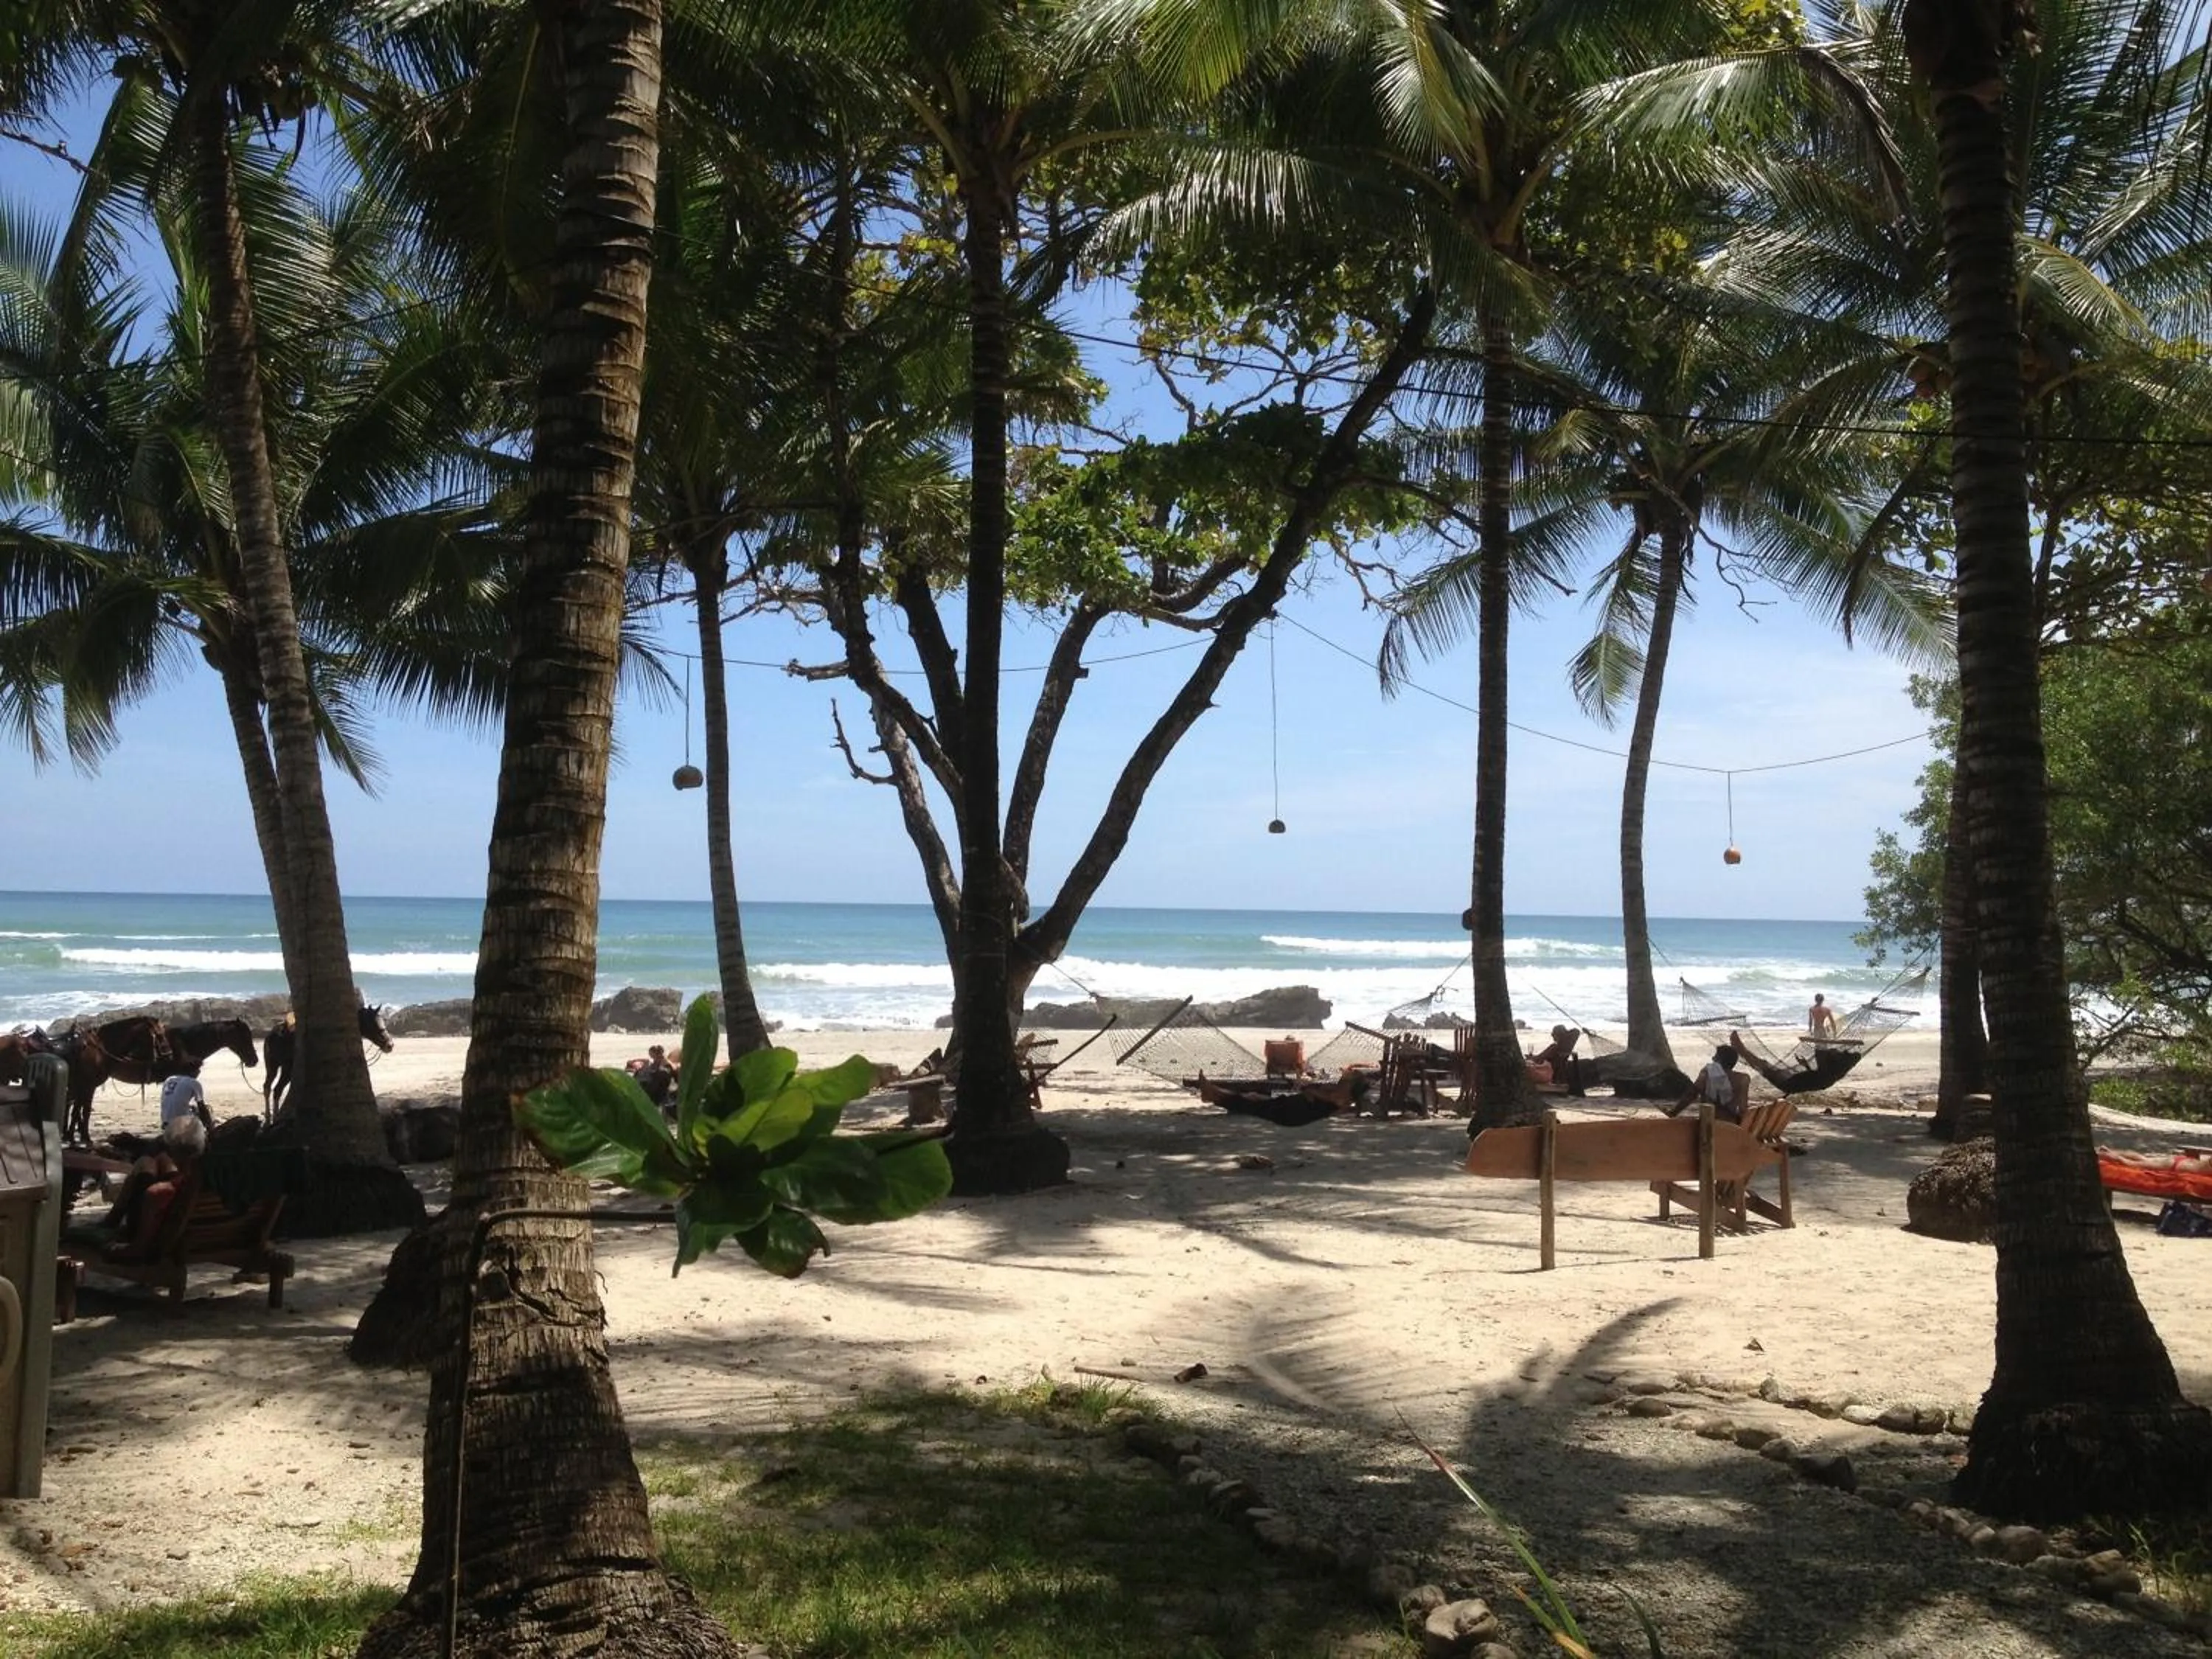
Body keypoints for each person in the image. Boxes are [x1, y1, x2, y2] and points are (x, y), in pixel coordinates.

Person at [99, 1111, 206, 1253]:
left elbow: (139, 1249)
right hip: (208, 1232)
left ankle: (113, 1219)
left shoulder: (160, 1192)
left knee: (144, 1163)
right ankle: (113, 1218)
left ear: (173, 1150)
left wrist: (128, 1249)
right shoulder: (204, 1175)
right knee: (153, 1160)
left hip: (155, 1238)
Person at [1666, 1045, 1742, 1122]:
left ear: (1719, 1060)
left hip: (1710, 1124)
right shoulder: (1743, 1079)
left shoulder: (1707, 1074)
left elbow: (1692, 1094)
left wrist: (1673, 1113)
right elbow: (1742, 1109)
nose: (1712, 1058)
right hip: (1733, 1126)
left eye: (1715, 1056)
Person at [1526, 1025, 1585, 1096]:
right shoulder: (1561, 1049)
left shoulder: (1554, 1047)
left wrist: (1530, 1058)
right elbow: (1576, 1031)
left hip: (1544, 1069)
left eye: (1553, 1033)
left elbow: (1540, 1057)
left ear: (1558, 1035)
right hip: (1551, 1066)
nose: (1552, 1035)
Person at [160, 1065, 213, 1135]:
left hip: (166, 1123)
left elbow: (172, 1100)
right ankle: (210, 1132)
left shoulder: (169, 1080)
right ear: (196, 1071)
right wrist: (209, 1126)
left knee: (193, 1108)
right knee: (206, 1109)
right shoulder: (193, 1083)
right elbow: (202, 1108)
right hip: (180, 1124)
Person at [627, 1044, 676, 1108]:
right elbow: (646, 1061)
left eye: (651, 1054)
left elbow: (663, 1072)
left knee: (641, 1077)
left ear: (656, 1053)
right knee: (640, 1074)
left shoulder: (664, 1062)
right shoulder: (656, 1061)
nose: (650, 1056)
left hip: (660, 1084)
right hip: (655, 1080)